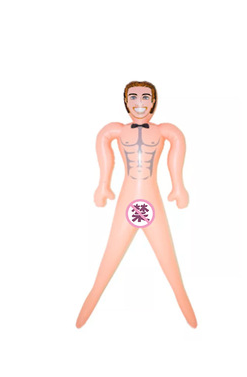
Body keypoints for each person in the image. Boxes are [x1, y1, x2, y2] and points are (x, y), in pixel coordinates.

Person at [76, 81, 197, 328]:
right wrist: (103, 184)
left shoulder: (165, 130)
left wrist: (178, 185)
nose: (139, 103)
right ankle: (89, 305)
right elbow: (103, 144)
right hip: (127, 198)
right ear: (125, 101)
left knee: (171, 267)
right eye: (133, 97)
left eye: (145, 97)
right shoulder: (115, 130)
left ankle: (188, 311)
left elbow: (177, 143)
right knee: (108, 261)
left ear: (153, 101)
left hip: (152, 199)